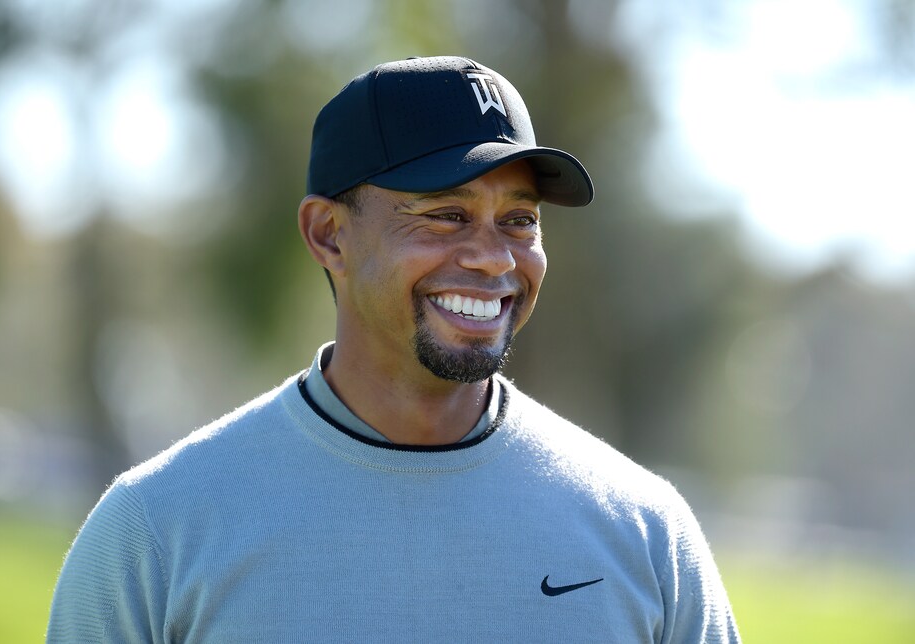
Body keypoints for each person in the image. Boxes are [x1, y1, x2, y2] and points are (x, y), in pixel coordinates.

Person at [48, 56, 740, 642]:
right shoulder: (155, 533)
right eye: (445, 214)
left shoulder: (649, 536)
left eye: (520, 220)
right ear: (328, 235)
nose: (494, 259)